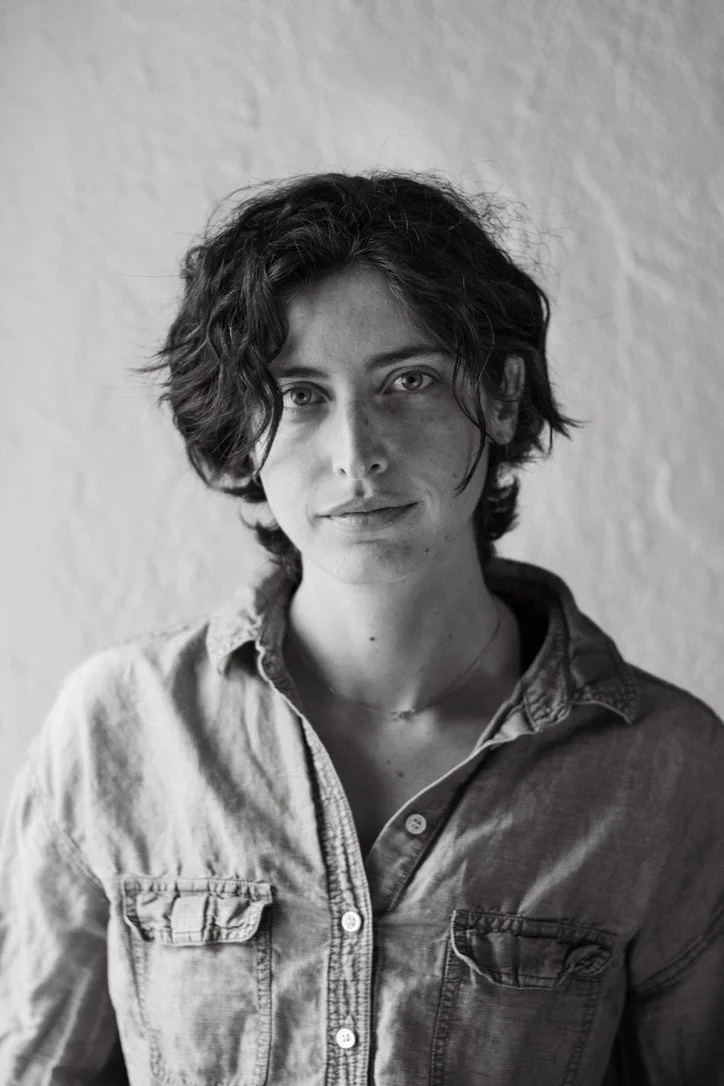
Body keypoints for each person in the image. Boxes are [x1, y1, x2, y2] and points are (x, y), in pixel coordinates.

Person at [1, 172, 723, 1086]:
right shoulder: (119, 726)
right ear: (242, 432)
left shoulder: (665, 765)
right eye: (300, 395)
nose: (357, 453)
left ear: (502, 397)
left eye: (408, 381)